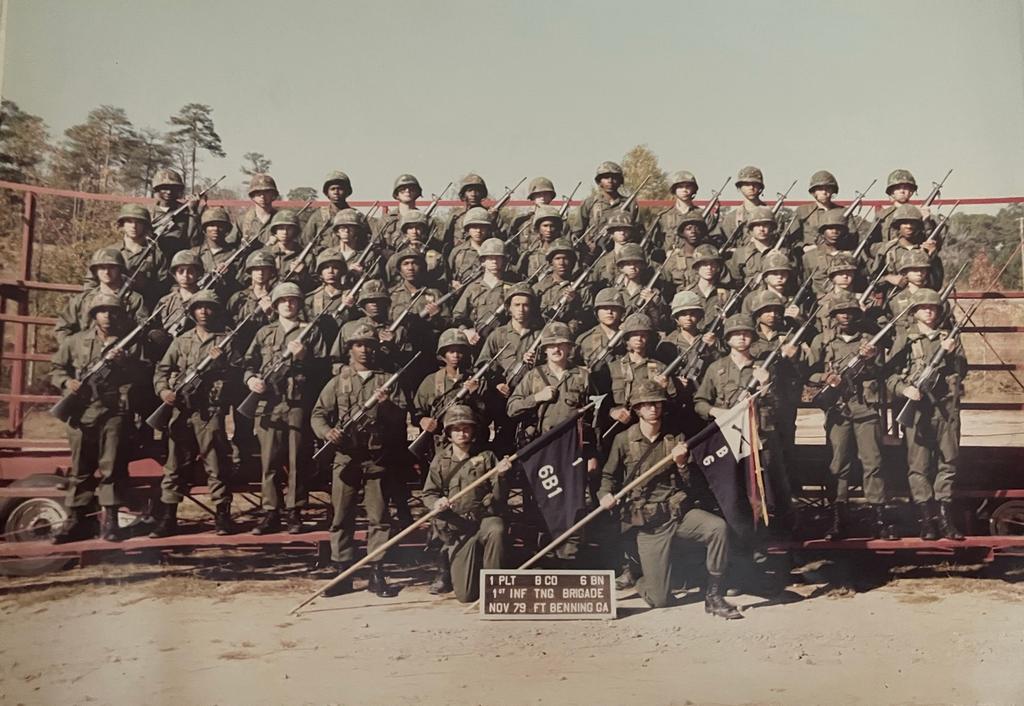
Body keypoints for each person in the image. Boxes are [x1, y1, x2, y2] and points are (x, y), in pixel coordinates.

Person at [598, 381, 740, 617]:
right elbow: (607, 476)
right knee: (660, 599)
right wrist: (605, 496)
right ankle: (643, 579)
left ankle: (713, 594)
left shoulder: (676, 439)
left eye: (656, 403)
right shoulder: (624, 440)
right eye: (646, 405)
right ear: (637, 409)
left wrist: (682, 464)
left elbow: (694, 484)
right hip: (649, 524)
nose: (652, 409)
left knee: (717, 528)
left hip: (678, 513)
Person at [311, 323, 410, 598]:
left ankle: (377, 573)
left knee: (378, 518)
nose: (364, 350)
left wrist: (386, 404)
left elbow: (402, 417)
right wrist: (326, 433)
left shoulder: (389, 380)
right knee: (341, 517)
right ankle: (343, 573)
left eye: (369, 344)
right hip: (345, 458)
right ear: (350, 348)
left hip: (377, 458)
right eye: (358, 344)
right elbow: (318, 414)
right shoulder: (338, 381)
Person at [50, 294, 147, 543]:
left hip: (113, 412)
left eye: (112, 311)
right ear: (93, 314)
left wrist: (124, 362)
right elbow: (56, 369)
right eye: (102, 311)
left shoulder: (129, 344)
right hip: (81, 413)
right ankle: (75, 520)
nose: (107, 316)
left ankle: (111, 521)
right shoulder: (75, 341)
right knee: (81, 470)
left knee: (112, 468)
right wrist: (66, 382)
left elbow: (142, 376)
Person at [808, 291, 897, 541]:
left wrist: (869, 360)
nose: (844, 316)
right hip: (838, 411)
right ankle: (838, 518)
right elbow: (809, 373)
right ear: (833, 316)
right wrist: (826, 378)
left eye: (849, 312)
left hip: (866, 410)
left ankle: (878, 517)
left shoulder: (869, 341)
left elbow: (883, 372)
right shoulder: (822, 341)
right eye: (839, 312)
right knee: (838, 465)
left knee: (874, 463)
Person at [242, 282, 328, 535]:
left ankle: (295, 511)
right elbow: (248, 362)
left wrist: (304, 358)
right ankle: (270, 512)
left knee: (297, 459)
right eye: (283, 300)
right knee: (269, 461)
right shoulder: (265, 332)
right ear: (276, 305)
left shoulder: (312, 333)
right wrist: (251, 380)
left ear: (299, 304)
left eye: (293, 300)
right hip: (269, 403)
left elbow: (324, 371)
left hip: (297, 404)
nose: (288, 304)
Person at [150, 290, 237, 537]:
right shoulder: (181, 341)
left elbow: (238, 376)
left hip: (209, 411)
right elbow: (161, 371)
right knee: (174, 463)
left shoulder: (225, 341)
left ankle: (222, 514)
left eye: (209, 307)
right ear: (191, 311)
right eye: (199, 307)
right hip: (180, 410)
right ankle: (168, 517)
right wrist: (164, 391)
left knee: (216, 463)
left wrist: (220, 363)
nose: (203, 311)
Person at [886, 288, 968, 540]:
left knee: (949, 460)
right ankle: (926, 520)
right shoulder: (905, 338)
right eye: (923, 308)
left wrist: (952, 352)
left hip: (945, 407)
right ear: (914, 312)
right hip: (918, 409)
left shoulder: (949, 338)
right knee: (918, 465)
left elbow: (962, 370)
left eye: (933, 308)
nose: (928, 311)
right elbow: (888, 376)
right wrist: (904, 389)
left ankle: (945, 518)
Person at [421, 405, 511, 602]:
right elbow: (428, 493)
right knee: (466, 595)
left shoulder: (487, 457)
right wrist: (437, 503)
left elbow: (500, 496)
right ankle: (471, 572)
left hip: (484, 520)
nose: (461, 433)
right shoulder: (441, 460)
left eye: (466, 428)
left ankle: (495, 588)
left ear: (473, 431)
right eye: (456, 429)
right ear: (449, 433)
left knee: (496, 529)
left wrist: (502, 476)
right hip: (458, 527)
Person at [55, 248, 149, 344]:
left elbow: (141, 332)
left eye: (111, 267)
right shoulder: (83, 300)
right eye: (102, 267)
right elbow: (63, 329)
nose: (106, 272)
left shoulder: (134, 300)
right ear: (95, 271)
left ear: (120, 269)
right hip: (86, 354)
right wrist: (74, 350)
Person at [104, 204, 169, 308]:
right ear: (122, 224)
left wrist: (146, 285)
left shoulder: (156, 254)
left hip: (145, 307)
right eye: (129, 221)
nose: (134, 226)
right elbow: (92, 283)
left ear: (145, 225)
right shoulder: (109, 252)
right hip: (112, 306)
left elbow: (165, 287)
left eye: (138, 222)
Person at [573, 161, 639, 254]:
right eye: (606, 177)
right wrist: (585, 247)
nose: (610, 181)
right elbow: (577, 232)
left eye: (614, 177)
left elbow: (638, 231)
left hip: (622, 252)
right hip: (594, 253)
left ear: (620, 181)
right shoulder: (590, 203)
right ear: (599, 181)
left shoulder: (630, 204)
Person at [712, 166, 768, 249]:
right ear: (739, 188)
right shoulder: (732, 218)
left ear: (760, 187)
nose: (751, 188)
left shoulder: (771, 214)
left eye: (755, 184)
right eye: (746, 184)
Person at [150, 168, 203, 255]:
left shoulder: (186, 211)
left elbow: (194, 240)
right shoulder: (149, 212)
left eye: (173, 188)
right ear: (157, 189)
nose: (169, 192)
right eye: (164, 188)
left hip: (178, 259)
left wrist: (193, 212)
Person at [302, 171, 352, 246]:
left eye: (340, 188)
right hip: (324, 256)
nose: (336, 192)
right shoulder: (318, 216)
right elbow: (305, 241)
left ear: (346, 191)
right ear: (327, 193)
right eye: (332, 189)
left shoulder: (355, 216)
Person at [236, 173, 279, 247]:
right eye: (258, 192)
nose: (262, 196)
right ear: (252, 196)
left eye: (267, 192)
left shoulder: (280, 219)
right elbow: (229, 246)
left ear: (273, 195)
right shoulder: (242, 220)